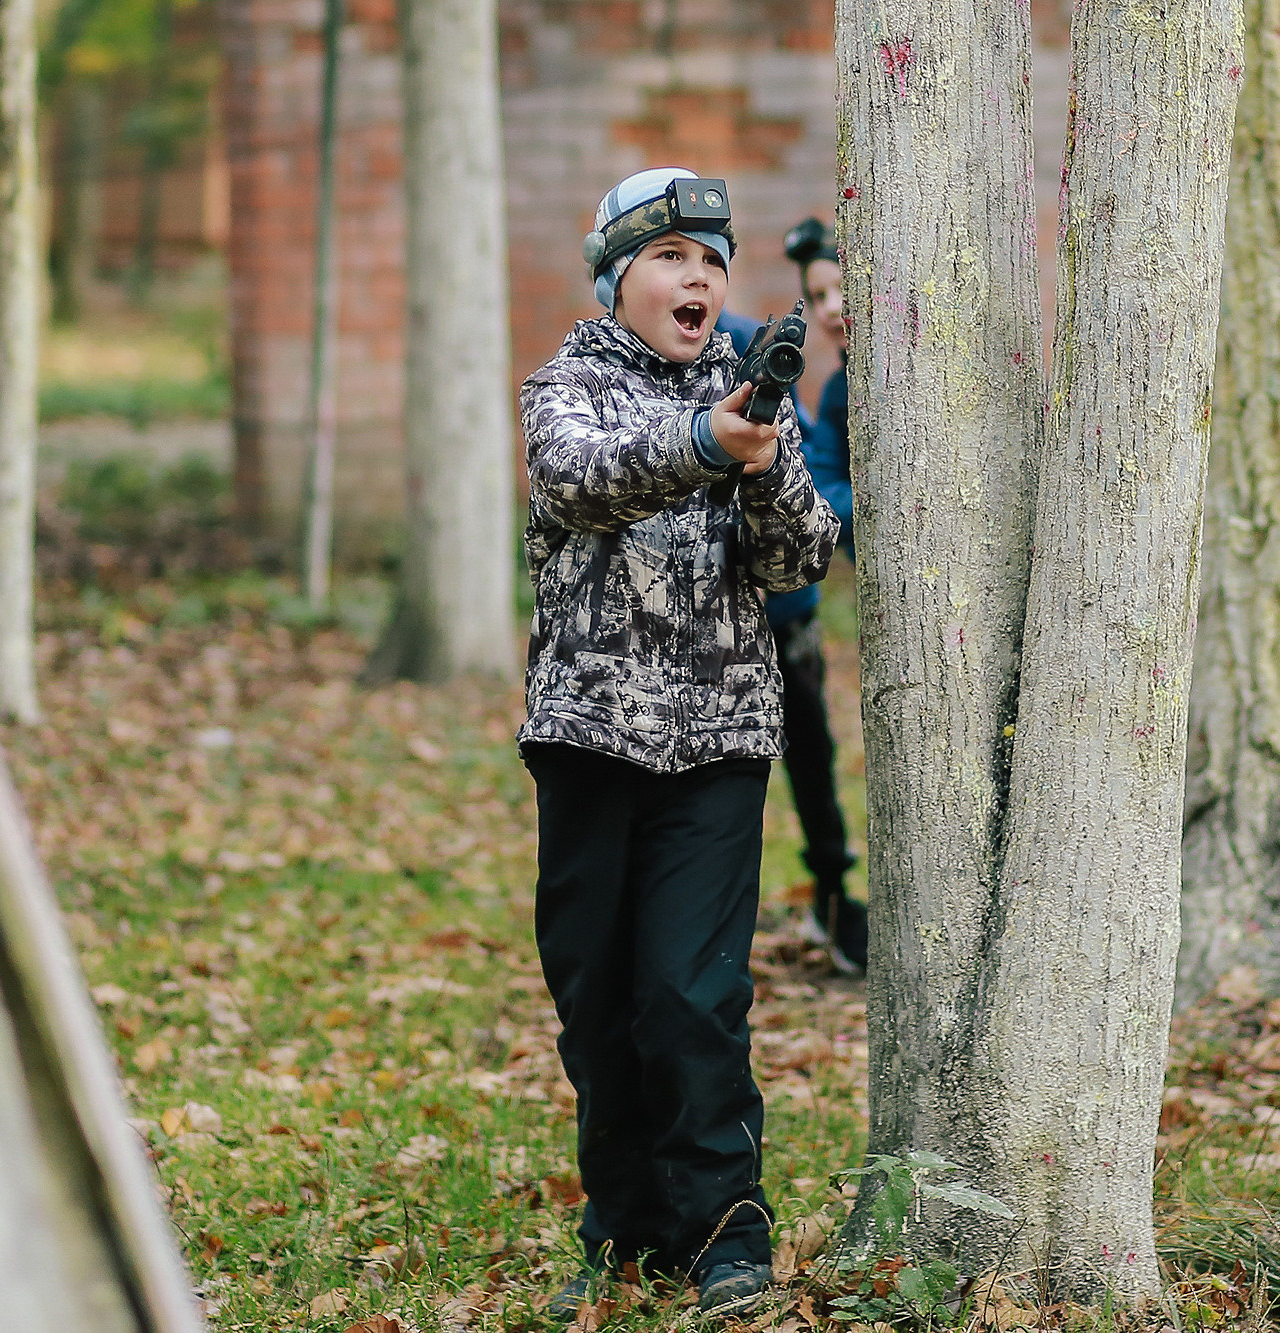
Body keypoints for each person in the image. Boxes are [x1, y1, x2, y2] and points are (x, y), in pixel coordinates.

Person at [517, 166, 839, 1319]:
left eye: (710, 259)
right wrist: (708, 440)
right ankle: (623, 1228)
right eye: (667, 258)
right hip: (589, 742)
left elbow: (799, 557)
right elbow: (582, 479)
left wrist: (756, 459)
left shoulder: (753, 396)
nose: (694, 276)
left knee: (690, 994)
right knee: (598, 998)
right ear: (616, 283)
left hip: (716, 745)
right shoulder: (569, 386)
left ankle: (724, 1228)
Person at [717, 222, 866, 973]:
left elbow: (814, 480)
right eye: (817, 295)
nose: (833, 305)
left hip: (790, 615)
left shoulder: (815, 393)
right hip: (736, 617)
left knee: (811, 751)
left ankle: (837, 894)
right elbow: (827, 482)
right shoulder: (825, 391)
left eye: (841, 285)